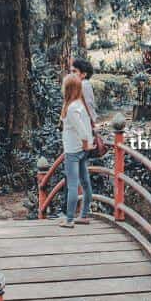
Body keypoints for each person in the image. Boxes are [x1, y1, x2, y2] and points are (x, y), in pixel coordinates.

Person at [60, 74, 93, 228]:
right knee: (85, 182)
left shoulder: (72, 108)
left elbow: (83, 132)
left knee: (73, 185)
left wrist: (85, 143)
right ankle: (84, 215)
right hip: (81, 150)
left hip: (73, 150)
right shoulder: (80, 103)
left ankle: (69, 220)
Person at [70, 57, 98, 124]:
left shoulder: (83, 85)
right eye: (71, 71)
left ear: (83, 74)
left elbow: (88, 105)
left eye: (74, 71)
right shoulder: (83, 84)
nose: (71, 74)